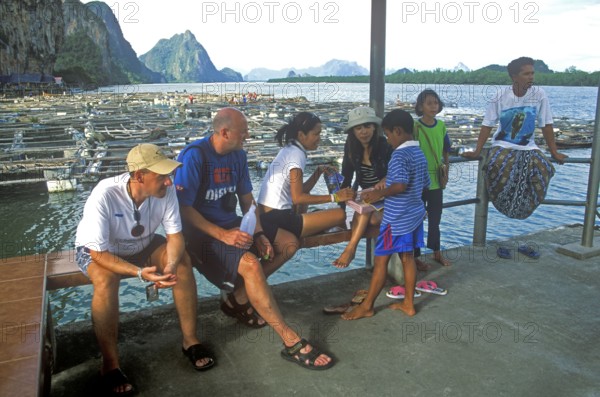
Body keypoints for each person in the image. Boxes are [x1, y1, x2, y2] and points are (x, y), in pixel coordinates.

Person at [174, 107, 335, 370]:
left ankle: (237, 297)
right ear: (224, 132)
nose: (248, 135)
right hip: (201, 233)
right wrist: (222, 234)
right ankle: (290, 340)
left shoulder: (238, 156)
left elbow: (247, 201)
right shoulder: (195, 157)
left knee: (287, 244)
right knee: (250, 264)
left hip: (232, 225)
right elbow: (184, 209)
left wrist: (259, 232)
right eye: (244, 131)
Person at [75, 143, 214, 396]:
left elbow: (175, 236)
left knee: (182, 264)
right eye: (161, 176)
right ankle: (110, 365)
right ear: (139, 176)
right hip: (101, 249)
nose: (168, 182)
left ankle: (190, 340)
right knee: (106, 280)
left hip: (143, 242)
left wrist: (169, 265)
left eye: (168, 176)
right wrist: (139, 273)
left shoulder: (165, 191)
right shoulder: (104, 194)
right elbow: (98, 253)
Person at [342, 109, 430, 321]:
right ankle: (408, 303)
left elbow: (399, 186)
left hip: (395, 220)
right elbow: (425, 183)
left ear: (398, 131)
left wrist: (377, 193)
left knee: (380, 262)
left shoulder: (399, 155)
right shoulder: (419, 153)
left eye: (389, 134)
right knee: (407, 258)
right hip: (414, 215)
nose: (388, 140)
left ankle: (368, 306)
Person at [462, 56, 567, 219]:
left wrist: (554, 152)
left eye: (532, 73)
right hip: (503, 144)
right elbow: (487, 124)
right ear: (514, 77)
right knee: (496, 166)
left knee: (544, 169)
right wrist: (477, 151)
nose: (531, 77)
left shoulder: (539, 94)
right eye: (526, 74)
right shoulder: (500, 96)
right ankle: (502, 203)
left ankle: (523, 208)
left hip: (529, 146)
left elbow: (546, 124)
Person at [257, 112, 355, 245]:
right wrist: (335, 197)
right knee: (340, 215)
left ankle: (309, 220)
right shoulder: (297, 155)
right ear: (301, 135)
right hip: (279, 218)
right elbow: (298, 198)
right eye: (316, 134)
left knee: (311, 201)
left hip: (268, 215)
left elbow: (300, 191)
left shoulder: (290, 149)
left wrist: (318, 172)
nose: (319, 138)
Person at [333, 106, 392, 268]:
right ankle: (352, 250)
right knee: (367, 215)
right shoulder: (351, 147)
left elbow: (399, 169)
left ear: (374, 127)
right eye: (358, 128)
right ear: (353, 131)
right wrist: (341, 209)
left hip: (387, 195)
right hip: (366, 197)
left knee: (368, 217)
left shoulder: (384, 145)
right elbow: (346, 175)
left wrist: (386, 179)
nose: (363, 131)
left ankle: (350, 249)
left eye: (367, 126)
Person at [413, 89, 452, 269]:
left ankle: (436, 252)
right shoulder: (415, 127)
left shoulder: (441, 125)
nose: (433, 106)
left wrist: (447, 169)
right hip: (418, 182)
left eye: (435, 103)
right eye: (429, 103)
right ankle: (415, 257)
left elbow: (446, 150)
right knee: (416, 220)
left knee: (436, 219)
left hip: (436, 181)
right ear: (421, 106)